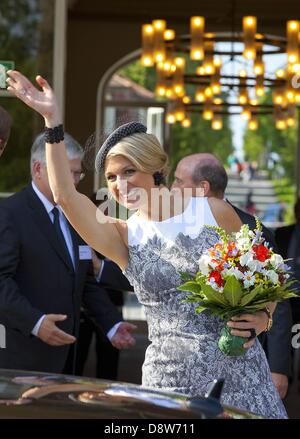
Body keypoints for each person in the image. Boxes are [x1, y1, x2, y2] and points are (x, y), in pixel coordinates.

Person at [6, 70, 287, 418]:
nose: (119, 185)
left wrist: (263, 317)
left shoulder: (214, 211)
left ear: (154, 169)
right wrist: (52, 121)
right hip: (168, 383)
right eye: (110, 177)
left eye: (128, 171)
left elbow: (270, 275)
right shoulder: (122, 234)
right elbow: (64, 196)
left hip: (241, 377)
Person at [0, 131, 136, 374]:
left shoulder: (75, 213)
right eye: (66, 173)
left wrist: (111, 324)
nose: (73, 181)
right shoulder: (9, 214)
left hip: (67, 358)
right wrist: (36, 323)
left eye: (76, 173)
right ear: (38, 169)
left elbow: (83, 280)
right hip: (22, 358)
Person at [172, 153, 293, 400]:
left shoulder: (252, 229)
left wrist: (279, 367)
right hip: (183, 362)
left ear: (202, 188)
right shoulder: (172, 228)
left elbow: (278, 299)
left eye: (178, 181)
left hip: (243, 357)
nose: (171, 188)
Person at [76, 193, 134, 380]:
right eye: (101, 209)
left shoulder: (120, 236)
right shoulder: (81, 234)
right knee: (78, 358)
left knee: (109, 362)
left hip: (113, 308)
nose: (105, 214)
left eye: (109, 209)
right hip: (85, 311)